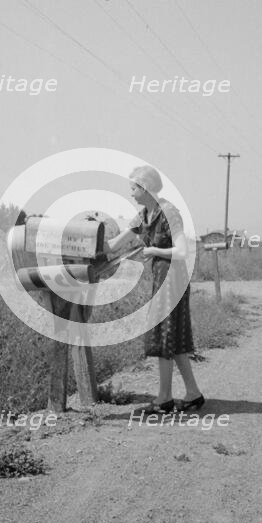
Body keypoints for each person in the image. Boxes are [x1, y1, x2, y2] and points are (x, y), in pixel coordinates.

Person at [106, 165, 204, 414]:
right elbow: (115, 244)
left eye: (134, 188)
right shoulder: (143, 215)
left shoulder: (169, 211)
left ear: (146, 188)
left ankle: (164, 398)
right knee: (175, 338)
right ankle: (193, 394)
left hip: (173, 278)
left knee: (165, 336)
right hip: (160, 278)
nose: (131, 193)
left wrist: (153, 251)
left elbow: (182, 251)